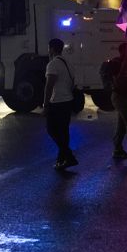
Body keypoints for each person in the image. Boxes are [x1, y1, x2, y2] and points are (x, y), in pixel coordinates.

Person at [43, 38, 78, 170]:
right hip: (68, 101)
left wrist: (46, 105)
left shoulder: (52, 64)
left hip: (57, 102)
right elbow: (73, 82)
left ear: (51, 49)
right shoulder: (69, 63)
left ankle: (69, 156)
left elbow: (49, 86)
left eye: (48, 48)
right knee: (64, 131)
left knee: (51, 129)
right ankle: (61, 160)